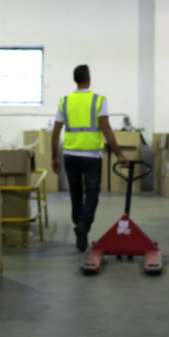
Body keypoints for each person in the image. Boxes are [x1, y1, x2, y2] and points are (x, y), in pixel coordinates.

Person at [51, 64, 128, 252]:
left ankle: (79, 225)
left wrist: (55, 157)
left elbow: (55, 133)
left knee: (76, 193)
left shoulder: (65, 101)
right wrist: (118, 153)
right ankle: (84, 224)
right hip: (92, 156)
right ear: (89, 78)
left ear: (75, 79)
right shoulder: (99, 100)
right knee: (92, 192)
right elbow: (106, 129)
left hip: (70, 155)